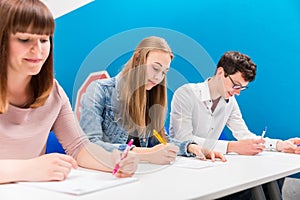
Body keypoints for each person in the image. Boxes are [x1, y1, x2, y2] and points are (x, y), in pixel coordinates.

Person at [0, 0, 138, 184]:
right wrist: (27, 168)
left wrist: (112, 161)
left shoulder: (53, 92)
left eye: (44, 39)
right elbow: (29, 169)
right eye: (25, 39)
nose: (39, 50)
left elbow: (79, 147)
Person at [80, 36, 226, 164]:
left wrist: (192, 148)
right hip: (107, 174)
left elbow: (160, 140)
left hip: (139, 174)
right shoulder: (99, 90)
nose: (158, 78)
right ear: (137, 60)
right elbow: (90, 144)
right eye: (155, 68)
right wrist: (147, 154)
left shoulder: (150, 95)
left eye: (164, 72)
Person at [170, 51, 298, 156]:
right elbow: (182, 139)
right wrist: (231, 147)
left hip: (211, 162)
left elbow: (244, 135)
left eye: (242, 88)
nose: (238, 93)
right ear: (220, 73)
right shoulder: (186, 93)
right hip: (182, 164)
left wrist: (278, 145)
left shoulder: (229, 101)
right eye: (236, 85)